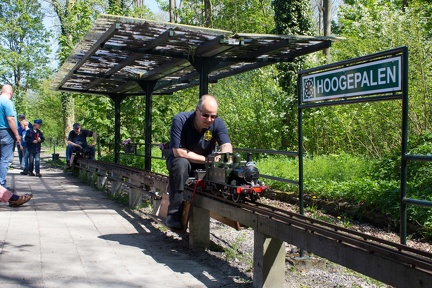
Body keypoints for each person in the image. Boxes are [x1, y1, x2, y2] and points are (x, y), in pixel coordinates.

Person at [165, 94, 232, 230]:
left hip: (204, 164)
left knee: (223, 168)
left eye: (213, 116)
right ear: (197, 110)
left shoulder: (218, 123)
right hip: (182, 162)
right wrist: (208, 160)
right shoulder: (180, 120)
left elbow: (226, 144)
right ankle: (174, 213)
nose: (209, 120)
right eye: (205, 115)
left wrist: (225, 154)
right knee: (181, 164)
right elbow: (178, 151)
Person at [0, 84, 20, 190]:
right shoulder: (7, 102)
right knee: (5, 160)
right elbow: (10, 119)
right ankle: (1, 185)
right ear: (10, 93)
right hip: (6, 133)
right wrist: (17, 135)